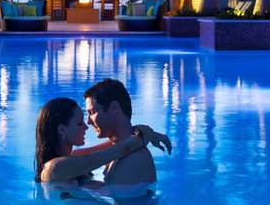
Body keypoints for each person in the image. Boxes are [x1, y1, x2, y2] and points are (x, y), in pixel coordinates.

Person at [35, 96, 170, 184]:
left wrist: (141, 130)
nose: (86, 127)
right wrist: (146, 135)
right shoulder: (54, 168)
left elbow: (115, 144)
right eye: (79, 123)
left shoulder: (74, 158)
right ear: (62, 130)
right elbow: (121, 149)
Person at [83, 78, 160, 186]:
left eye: (92, 112)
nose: (88, 121)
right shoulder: (117, 151)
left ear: (114, 108)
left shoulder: (132, 160)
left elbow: (124, 203)